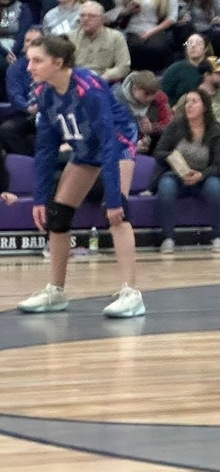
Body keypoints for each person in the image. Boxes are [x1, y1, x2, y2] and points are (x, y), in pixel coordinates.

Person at [16, 35, 145, 318]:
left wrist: (113, 198)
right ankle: (56, 291)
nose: (29, 67)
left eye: (37, 61)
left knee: (117, 212)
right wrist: (39, 198)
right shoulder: (46, 94)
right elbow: (46, 149)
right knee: (57, 214)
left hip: (116, 143)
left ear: (58, 62)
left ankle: (131, 293)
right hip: (85, 149)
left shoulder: (88, 87)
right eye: (29, 61)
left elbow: (109, 142)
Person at [153, 89, 220, 254]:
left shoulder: (217, 131)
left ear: (205, 107)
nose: (189, 105)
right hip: (177, 175)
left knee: (216, 189)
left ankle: (217, 236)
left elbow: (217, 165)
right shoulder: (176, 126)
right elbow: (159, 152)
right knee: (165, 187)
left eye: (194, 101)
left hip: (204, 176)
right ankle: (168, 238)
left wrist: (201, 175)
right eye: (187, 101)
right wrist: (175, 161)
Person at [0, 25, 42, 153]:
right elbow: (14, 94)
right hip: (26, 112)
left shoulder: (50, 65)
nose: (29, 44)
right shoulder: (16, 68)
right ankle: (29, 161)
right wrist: (28, 108)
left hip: (50, 112)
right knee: (6, 129)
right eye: (27, 40)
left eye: (34, 42)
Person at [69, 1, 131, 83]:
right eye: (82, 15)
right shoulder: (70, 37)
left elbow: (123, 66)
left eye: (91, 16)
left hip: (105, 82)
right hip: (75, 81)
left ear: (102, 19)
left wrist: (102, 78)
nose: (86, 19)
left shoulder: (116, 37)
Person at [113, 70, 172, 154]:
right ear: (134, 89)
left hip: (150, 144)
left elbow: (169, 125)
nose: (150, 98)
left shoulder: (160, 98)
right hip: (122, 145)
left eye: (153, 93)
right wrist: (134, 145)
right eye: (146, 94)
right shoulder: (117, 98)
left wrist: (152, 128)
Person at [161, 34, 213, 105]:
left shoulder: (212, 67)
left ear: (206, 48)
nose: (193, 46)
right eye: (189, 43)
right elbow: (163, 95)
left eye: (198, 43)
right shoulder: (176, 68)